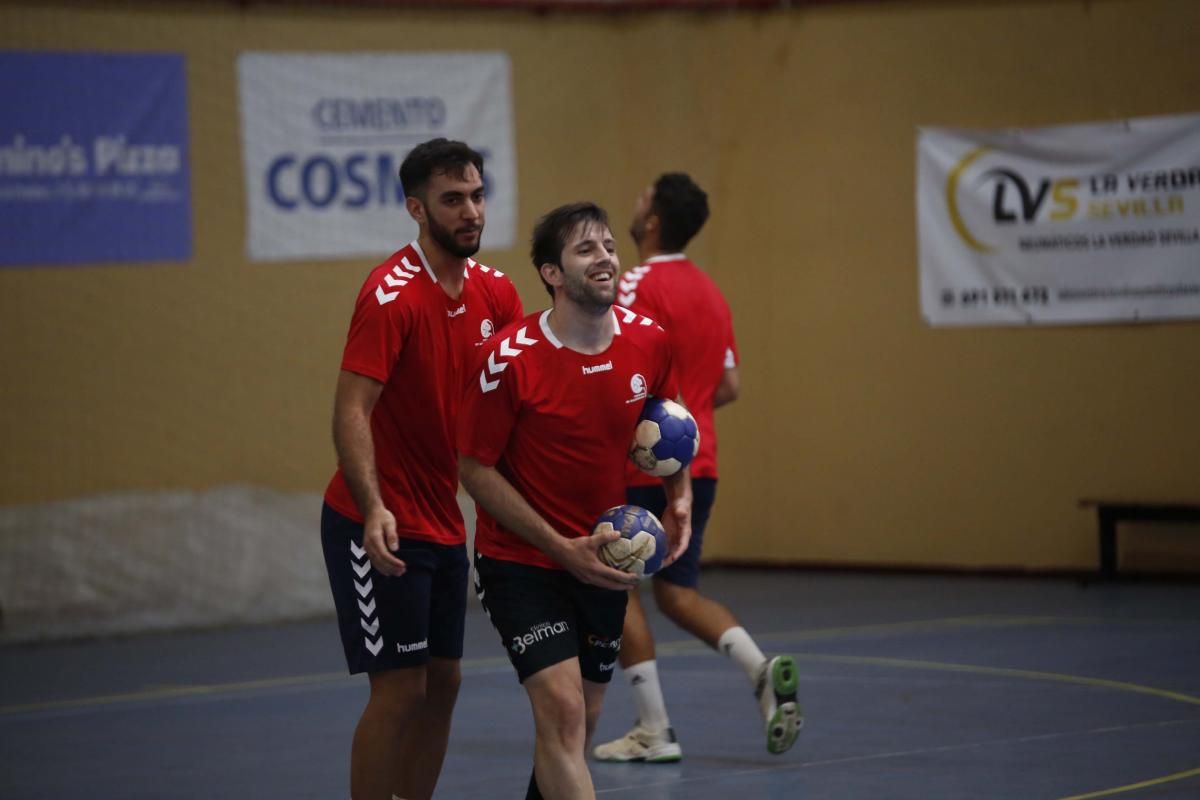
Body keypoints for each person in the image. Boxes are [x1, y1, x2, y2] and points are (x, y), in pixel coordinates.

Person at [457, 202, 692, 800]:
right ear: (551, 273)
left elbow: (667, 425)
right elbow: (473, 468)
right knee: (562, 714)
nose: (606, 258)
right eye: (586, 249)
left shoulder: (649, 341)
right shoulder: (509, 361)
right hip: (522, 560)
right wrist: (562, 548)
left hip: (606, 559)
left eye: (610, 246)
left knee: (578, 729)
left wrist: (679, 495)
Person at [320, 138, 524, 800]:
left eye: (476, 196)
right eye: (452, 200)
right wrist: (374, 506)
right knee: (401, 687)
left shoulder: (496, 293)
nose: (471, 212)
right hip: (374, 522)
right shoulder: (391, 295)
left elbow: (520, 403)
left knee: (445, 683)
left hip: (441, 522)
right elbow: (351, 410)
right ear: (416, 208)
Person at [592, 173, 802, 764]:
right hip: (700, 464)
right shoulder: (711, 293)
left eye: (640, 199)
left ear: (652, 221)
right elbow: (728, 385)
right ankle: (760, 669)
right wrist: (689, 412)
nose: (632, 205)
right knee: (679, 594)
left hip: (642, 467)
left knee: (616, 585)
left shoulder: (634, 283)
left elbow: (614, 361)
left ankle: (653, 727)